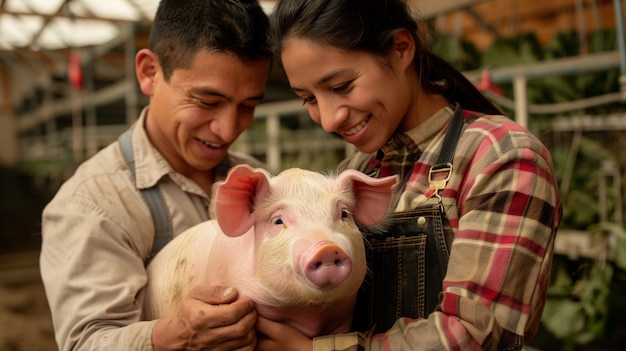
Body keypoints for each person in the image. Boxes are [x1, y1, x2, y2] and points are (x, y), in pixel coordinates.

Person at [257, 0, 562, 350]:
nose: (328, 119)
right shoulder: (355, 172)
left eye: (341, 86)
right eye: (308, 98)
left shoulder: (501, 156)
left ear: (401, 49)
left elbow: (476, 336)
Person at [39, 0, 272, 350]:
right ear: (149, 72)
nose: (227, 130)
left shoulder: (258, 180)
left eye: (248, 107)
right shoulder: (92, 205)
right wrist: (173, 335)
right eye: (207, 102)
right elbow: (87, 342)